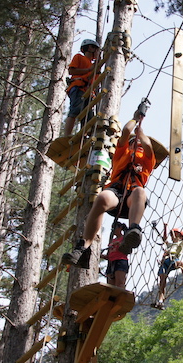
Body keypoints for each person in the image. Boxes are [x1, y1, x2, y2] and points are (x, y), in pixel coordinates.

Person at [62, 108, 156, 268]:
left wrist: (140, 132)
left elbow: (147, 145)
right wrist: (134, 119)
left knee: (140, 191)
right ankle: (83, 247)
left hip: (132, 200)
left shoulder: (147, 161)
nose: (137, 145)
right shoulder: (121, 154)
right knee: (102, 197)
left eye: (138, 144)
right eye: (134, 143)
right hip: (116, 191)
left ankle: (133, 230)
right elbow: (126, 132)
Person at [152, 222, 183, 310]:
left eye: (175, 234)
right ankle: (160, 301)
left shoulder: (180, 243)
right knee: (162, 282)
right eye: (172, 234)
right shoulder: (169, 245)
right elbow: (164, 238)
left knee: (181, 263)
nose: (173, 236)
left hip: (173, 260)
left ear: (180, 237)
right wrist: (165, 227)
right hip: (165, 263)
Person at [64, 38, 101, 136]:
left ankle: (83, 137)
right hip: (78, 87)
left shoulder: (95, 66)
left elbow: (97, 78)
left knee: (88, 118)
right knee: (75, 111)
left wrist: (97, 62)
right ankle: (67, 135)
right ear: (90, 47)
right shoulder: (79, 57)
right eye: (95, 49)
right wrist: (89, 69)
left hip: (88, 92)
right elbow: (72, 71)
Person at [101, 222, 129, 288]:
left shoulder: (124, 238)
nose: (113, 230)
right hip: (111, 263)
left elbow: (127, 249)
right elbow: (108, 255)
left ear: (120, 228)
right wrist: (101, 256)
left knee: (119, 284)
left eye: (114, 228)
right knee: (110, 286)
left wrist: (119, 244)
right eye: (112, 229)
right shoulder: (112, 240)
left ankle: (121, 297)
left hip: (120, 261)